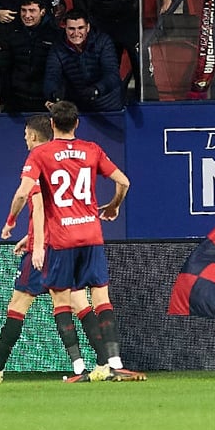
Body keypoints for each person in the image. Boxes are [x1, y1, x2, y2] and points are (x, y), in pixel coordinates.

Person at [17, 101, 145, 381]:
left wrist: (13, 222)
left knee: (62, 301)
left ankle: (79, 369)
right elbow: (124, 181)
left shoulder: (41, 154)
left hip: (62, 239)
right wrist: (113, 206)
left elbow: (26, 195)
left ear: (52, 125)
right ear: (77, 124)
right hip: (91, 235)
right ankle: (114, 363)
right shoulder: (92, 150)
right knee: (100, 297)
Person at [0, 114, 58, 382]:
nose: (24, 138)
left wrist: (16, 225)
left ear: (35, 136)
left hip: (45, 246)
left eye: (26, 134)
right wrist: (31, 236)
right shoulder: (61, 159)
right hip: (63, 242)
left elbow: (33, 202)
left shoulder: (37, 161)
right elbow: (55, 208)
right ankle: (103, 362)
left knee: (18, 303)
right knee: (75, 303)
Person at [44, 11, 124, 112]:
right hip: (78, 107)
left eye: (80, 28)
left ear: (88, 27)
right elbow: (51, 76)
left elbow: (112, 75)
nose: (76, 33)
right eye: (71, 29)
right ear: (65, 28)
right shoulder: (57, 47)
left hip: (108, 106)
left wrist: (96, 90)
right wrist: (54, 94)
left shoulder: (103, 42)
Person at [0, 0, 59, 113]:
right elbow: (2, 66)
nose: (27, 15)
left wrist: (56, 96)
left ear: (42, 11)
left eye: (32, 10)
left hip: (44, 102)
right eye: (23, 10)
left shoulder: (55, 35)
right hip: (16, 101)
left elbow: (59, 70)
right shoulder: (11, 33)